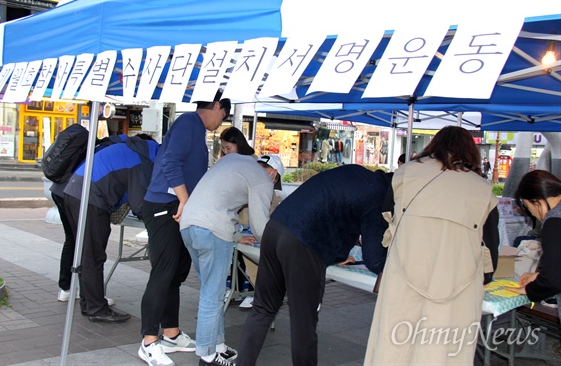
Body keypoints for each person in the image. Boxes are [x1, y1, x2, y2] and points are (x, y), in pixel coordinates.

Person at [364, 126, 500, 365]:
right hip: (457, 281)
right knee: (444, 348)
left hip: (405, 271)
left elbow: (387, 217)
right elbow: (490, 248)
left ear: (434, 145)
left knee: (394, 345)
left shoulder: (406, 174)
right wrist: (485, 275)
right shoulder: (482, 189)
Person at [237, 164, 391, 366]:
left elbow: (336, 208)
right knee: (304, 325)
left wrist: (337, 249)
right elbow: (375, 259)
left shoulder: (357, 172)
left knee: (262, 309)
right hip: (303, 243)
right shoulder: (378, 196)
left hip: (275, 228)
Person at [139, 93, 231, 366]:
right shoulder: (189, 122)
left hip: (178, 209)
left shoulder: (196, 129)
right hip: (164, 206)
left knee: (176, 275)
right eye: (223, 115)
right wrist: (185, 201)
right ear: (216, 106)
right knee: (163, 272)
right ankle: (148, 341)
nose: (220, 122)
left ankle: (171, 333)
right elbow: (169, 162)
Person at [180, 153, 283, 366]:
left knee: (211, 292)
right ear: (274, 173)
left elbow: (219, 198)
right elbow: (260, 227)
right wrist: (278, 246)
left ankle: (217, 346)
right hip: (213, 231)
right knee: (213, 296)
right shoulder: (263, 180)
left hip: (188, 226)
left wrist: (236, 235)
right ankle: (207, 357)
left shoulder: (235, 161)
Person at [63, 134, 158, 323]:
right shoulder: (142, 160)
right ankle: (97, 309)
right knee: (93, 255)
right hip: (90, 197)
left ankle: (89, 303)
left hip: (74, 192)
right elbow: (139, 204)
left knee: (86, 253)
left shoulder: (132, 149)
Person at [506, 170, 561, 323]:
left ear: (536, 201)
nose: (535, 216)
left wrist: (532, 290)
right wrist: (539, 277)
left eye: (529, 208)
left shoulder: (554, 220)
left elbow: (554, 280)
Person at [219, 127, 256, 310]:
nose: (226, 152)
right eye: (223, 148)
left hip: (249, 216)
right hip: (235, 217)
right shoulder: (227, 162)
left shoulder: (251, 162)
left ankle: (255, 291)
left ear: (238, 144)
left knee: (248, 255)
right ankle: (236, 288)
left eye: (228, 148)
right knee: (237, 256)